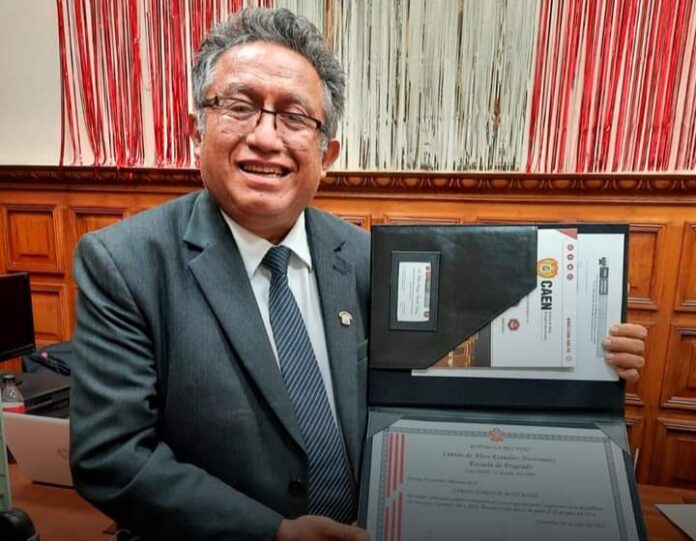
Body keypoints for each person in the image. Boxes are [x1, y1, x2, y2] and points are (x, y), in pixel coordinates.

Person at [69, 7, 647, 541]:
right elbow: (112, 457)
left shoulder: (370, 259)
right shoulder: (124, 264)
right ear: (197, 129)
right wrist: (273, 534)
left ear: (328, 155)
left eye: (294, 116)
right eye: (240, 106)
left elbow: (457, 379)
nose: (266, 137)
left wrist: (590, 360)